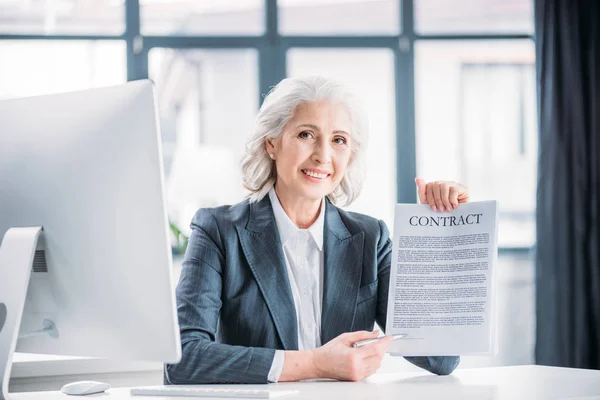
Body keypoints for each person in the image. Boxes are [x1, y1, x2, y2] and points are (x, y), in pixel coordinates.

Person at [164, 76, 468, 384]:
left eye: (339, 140)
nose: (323, 155)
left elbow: (441, 357)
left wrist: (436, 234)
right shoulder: (218, 231)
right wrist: (315, 364)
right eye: (306, 134)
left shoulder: (371, 238)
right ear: (272, 143)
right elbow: (182, 360)